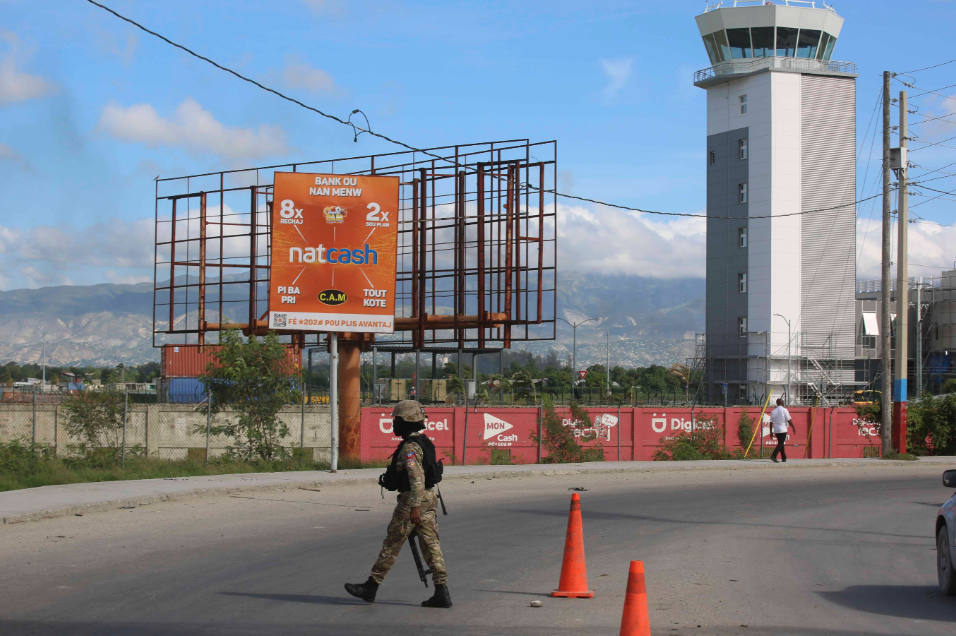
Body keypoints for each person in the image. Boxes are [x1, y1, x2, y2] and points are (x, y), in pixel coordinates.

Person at [344, 400, 451, 608]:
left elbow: (416, 479)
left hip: (413, 501)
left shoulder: (410, 448)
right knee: (431, 546)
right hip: (428, 498)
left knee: (392, 543)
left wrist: (414, 508)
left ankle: (371, 587)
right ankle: (442, 591)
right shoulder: (423, 442)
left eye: (397, 420)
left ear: (406, 421)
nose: (394, 424)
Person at [769, 398, 796, 463]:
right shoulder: (784, 410)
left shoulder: (773, 411)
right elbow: (788, 419)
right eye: (783, 402)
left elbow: (771, 422)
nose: (784, 403)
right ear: (781, 403)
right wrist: (793, 427)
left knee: (781, 443)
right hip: (782, 429)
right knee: (781, 443)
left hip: (776, 429)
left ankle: (784, 457)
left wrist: (771, 432)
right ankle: (773, 455)